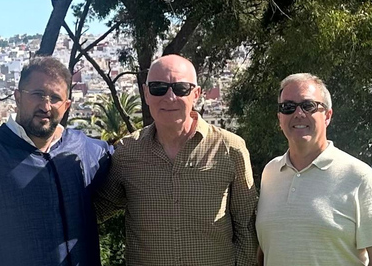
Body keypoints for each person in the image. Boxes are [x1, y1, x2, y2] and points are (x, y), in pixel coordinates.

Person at [0, 56, 111, 266]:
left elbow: (131, 160)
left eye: (55, 98)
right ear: (17, 97)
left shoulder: (84, 149)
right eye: (37, 94)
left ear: (67, 105)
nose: (46, 106)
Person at [95, 54, 259, 266]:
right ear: (146, 93)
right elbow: (96, 210)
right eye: (158, 88)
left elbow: (246, 223)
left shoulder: (230, 149)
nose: (170, 97)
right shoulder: (127, 152)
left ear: (196, 94)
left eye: (181, 88)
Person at [256, 73, 372, 266]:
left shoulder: (359, 178)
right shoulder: (270, 174)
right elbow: (266, 250)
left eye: (308, 106)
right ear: (280, 117)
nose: (298, 114)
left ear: (328, 116)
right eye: (288, 107)